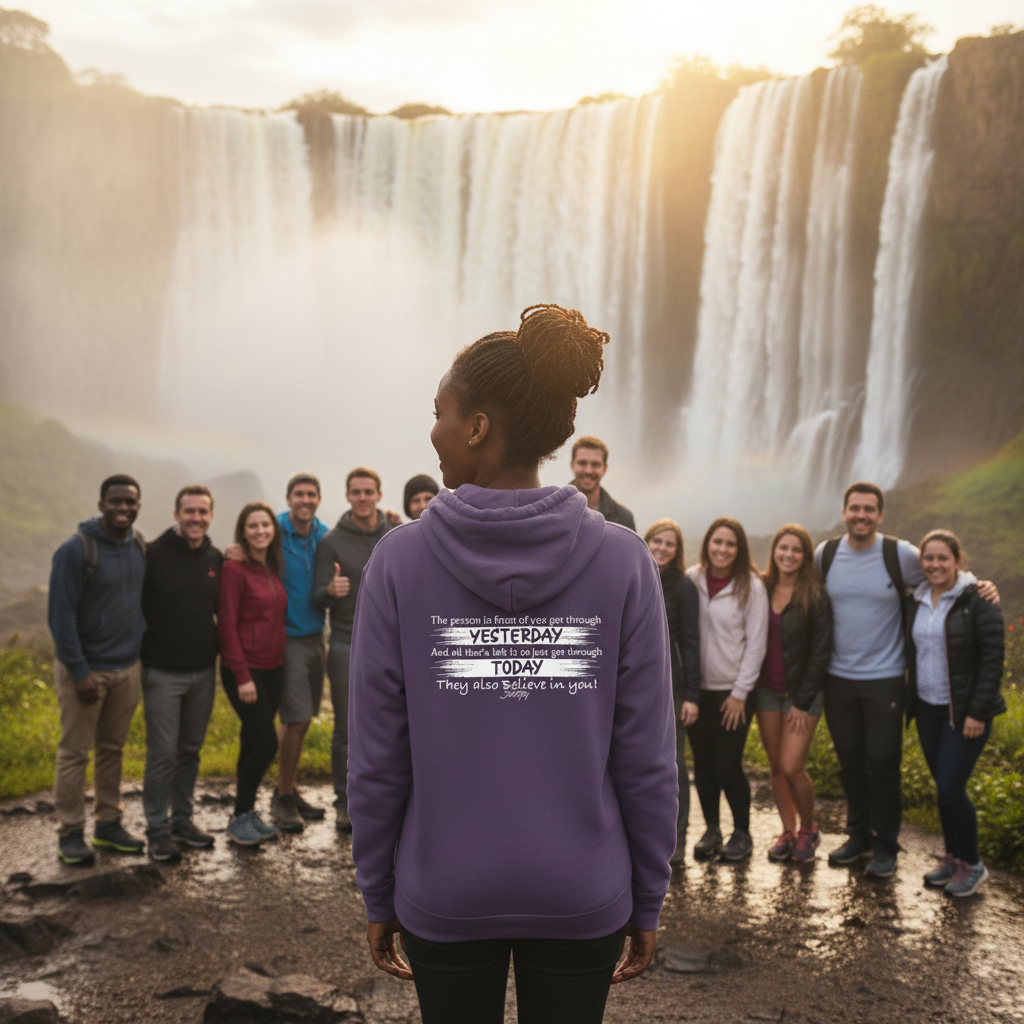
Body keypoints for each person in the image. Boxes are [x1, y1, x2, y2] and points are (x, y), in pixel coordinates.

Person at [349, 304, 678, 1024]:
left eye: (439, 412)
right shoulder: (624, 560)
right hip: (581, 891)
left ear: (476, 426)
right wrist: (647, 892)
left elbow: (378, 753)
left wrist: (378, 888)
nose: (431, 429)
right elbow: (646, 753)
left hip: (444, 891)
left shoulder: (398, 562)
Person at [816, 483, 998, 879]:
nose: (861, 515)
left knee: (883, 765)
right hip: (838, 679)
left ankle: (886, 845)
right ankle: (858, 835)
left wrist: (982, 584)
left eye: (869, 509)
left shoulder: (899, 554)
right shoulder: (825, 554)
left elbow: (945, 572)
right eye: (854, 508)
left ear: (880, 515)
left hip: (885, 679)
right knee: (850, 765)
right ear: (844, 512)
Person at [48, 475, 148, 865]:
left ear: (139, 504)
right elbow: (60, 617)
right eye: (116, 501)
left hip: (126, 668)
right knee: (74, 753)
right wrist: (78, 670)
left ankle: (108, 824)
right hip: (86, 672)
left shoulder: (137, 545)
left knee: (112, 749)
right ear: (102, 503)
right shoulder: (75, 551)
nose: (123, 508)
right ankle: (70, 831)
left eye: (131, 501)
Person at [906, 530, 1005, 897]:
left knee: (951, 785)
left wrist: (978, 711)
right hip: (929, 707)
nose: (934, 565)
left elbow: (993, 660)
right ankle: (952, 857)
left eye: (942, 558)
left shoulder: (978, 599)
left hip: (965, 711)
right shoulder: (915, 600)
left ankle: (973, 864)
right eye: (928, 558)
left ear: (957, 561)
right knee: (942, 787)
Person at [140, 485, 223, 863]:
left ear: (210, 516)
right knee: (161, 755)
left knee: (189, 752)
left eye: (203, 512)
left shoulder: (215, 557)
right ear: (176, 515)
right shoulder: (152, 555)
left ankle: (183, 823)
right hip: (162, 673)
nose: (196, 518)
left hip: (203, 671)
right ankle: (157, 830)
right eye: (189, 511)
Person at [312, 467, 394, 831]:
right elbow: (316, 596)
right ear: (347, 496)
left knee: (388, 724)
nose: (363, 498)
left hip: (390, 644)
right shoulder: (331, 542)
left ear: (378, 494)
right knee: (347, 728)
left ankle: (386, 799)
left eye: (368, 491)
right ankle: (344, 803)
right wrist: (329, 592)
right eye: (356, 492)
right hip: (345, 643)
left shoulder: (393, 535)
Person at [686, 517, 768, 863]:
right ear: (707, 544)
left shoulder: (751, 585)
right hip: (697, 691)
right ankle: (712, 830)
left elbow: (757, 644)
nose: (722, 549)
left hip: (732, 693)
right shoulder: (692, 578)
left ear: (739, 549)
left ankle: (743, 832)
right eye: (717, 542)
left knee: (727, 764)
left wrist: (740, 693)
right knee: (702, 765)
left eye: (730, 544)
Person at [756, 525, 832, 864]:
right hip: (766, 692)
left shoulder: (815, 594)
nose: (788, 555)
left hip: (802, 694)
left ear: (806, 556)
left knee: (792, 766)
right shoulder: (761, 586)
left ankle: (808, 828)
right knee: (775, 765)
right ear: (773, 551)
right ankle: (787, 831)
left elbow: (820, 651)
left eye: (796, 549)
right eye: (782, 548)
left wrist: (802, 702)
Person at [218, 502, 288, 846]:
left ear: (274, 529)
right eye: (252, 526)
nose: (260, 531)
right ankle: (239, 816)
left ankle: (245, 814)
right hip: (245, 671)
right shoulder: (234, 568)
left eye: (265, 525)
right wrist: (242, 674)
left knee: (252, 741)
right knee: (265, 743)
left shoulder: (271, 565)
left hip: (275, 668)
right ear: (242, 532)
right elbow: (227, 626)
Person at [272, 475, 330, 832]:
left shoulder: (324, 536)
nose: (304, 500)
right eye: (299, 494)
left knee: (306, 718)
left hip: (315, 638)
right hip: (287, 639)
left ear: (319, 500)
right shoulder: (274, 532)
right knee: (293, 719)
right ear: (289, 498)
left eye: (311, 495)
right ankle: (282, 797)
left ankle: (289, 790)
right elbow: (248, 547)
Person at [645, 519, 700, 864]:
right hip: (635, 683)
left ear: (677, 551)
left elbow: (691, 643)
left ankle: (677, 839)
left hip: (672, 686)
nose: (662, 548)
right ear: (646, 541)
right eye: (657, 541)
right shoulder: (634, 575)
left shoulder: (683, 587)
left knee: (674, 765)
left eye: (670, 544)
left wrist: (692, 695)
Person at [568, 435, 636, 530]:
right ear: (572, 465)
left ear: (605, 469)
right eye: (582, 463)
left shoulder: (624, 518)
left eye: (595, 464)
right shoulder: (554, 509)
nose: (588, 471)